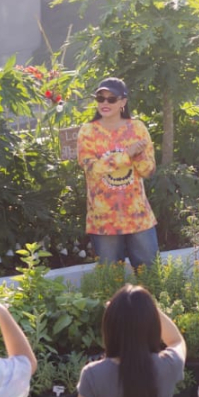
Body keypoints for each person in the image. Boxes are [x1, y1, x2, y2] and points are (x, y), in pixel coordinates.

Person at [78, 78, 159, 270]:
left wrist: (138, 156)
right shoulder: (88, 131)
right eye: (100, 98)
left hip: (138, 216)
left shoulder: (137, 128)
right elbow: (92, 169)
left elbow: (148, 171)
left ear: (123, 102)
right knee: (110, 278)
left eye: (111, 99)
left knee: (151, 274)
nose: (105, 103)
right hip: (104, 219)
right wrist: (126, 155)